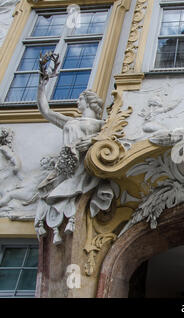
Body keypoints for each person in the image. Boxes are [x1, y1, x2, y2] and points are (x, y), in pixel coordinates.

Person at [35, 52, 108, 244]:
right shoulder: (71, 121)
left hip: (85, 163)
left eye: (80, 99)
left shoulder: (102, 124)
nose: (77, 102)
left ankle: (71, 221)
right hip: (67, 163)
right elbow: (46, 111)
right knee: (48, 190)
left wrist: (92, 141)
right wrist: (42, 85)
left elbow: (111, 138)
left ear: (89, 101)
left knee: (72, 190)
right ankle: (61, 225)